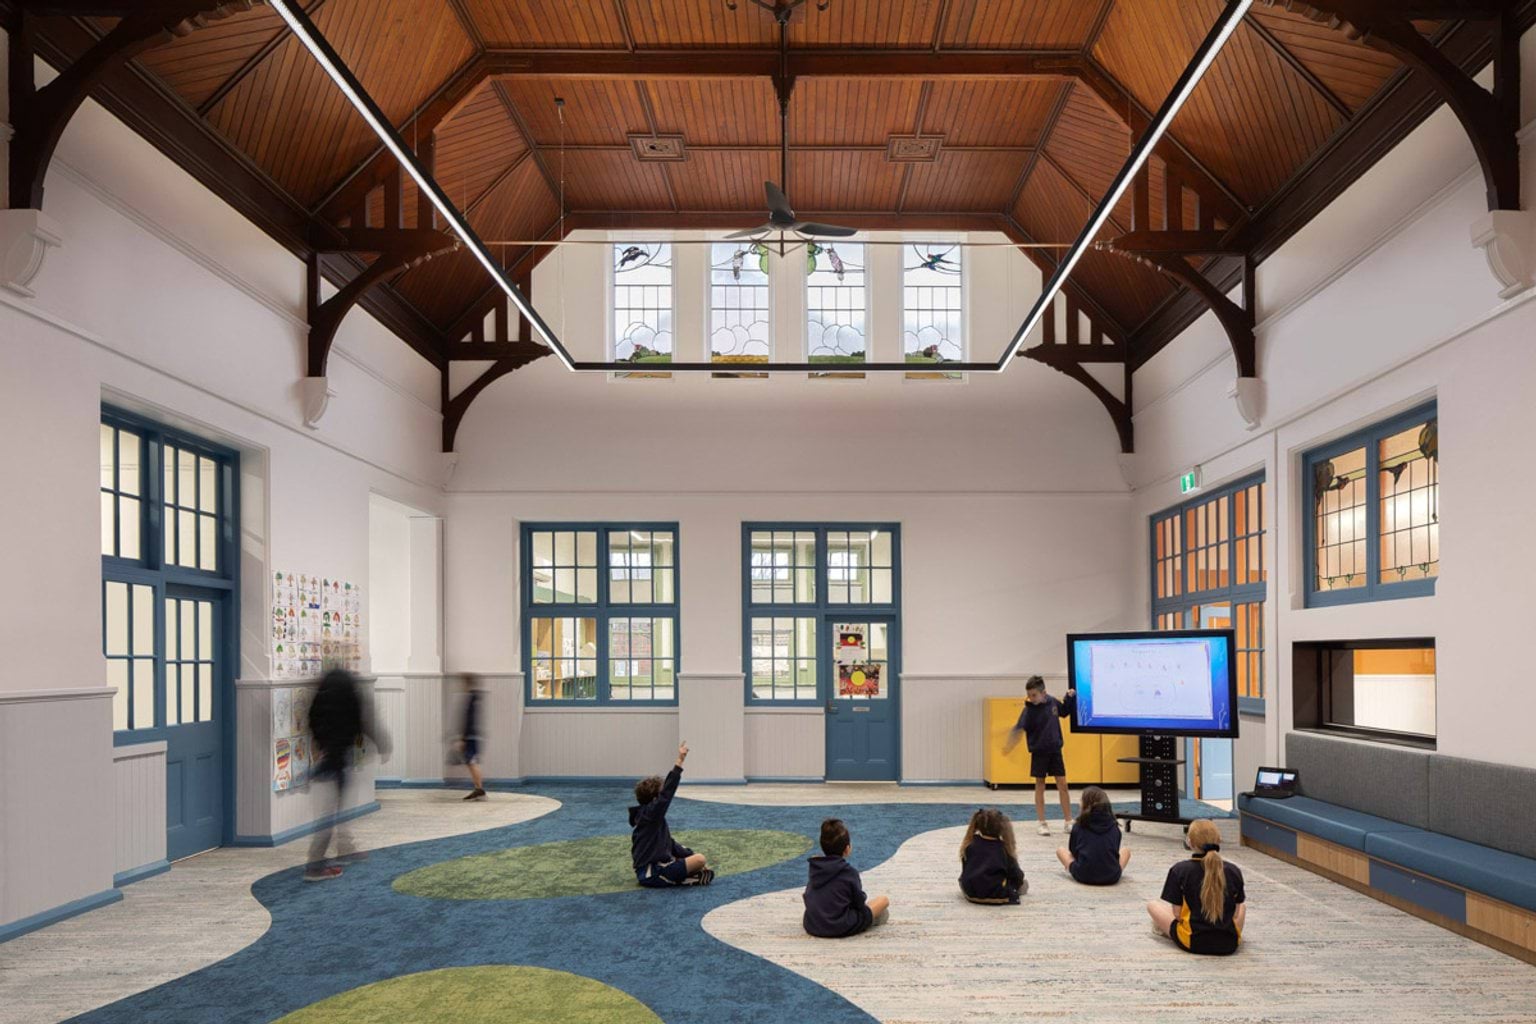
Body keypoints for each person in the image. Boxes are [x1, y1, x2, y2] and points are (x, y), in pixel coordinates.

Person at [305, 668, 389, 882]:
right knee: (330, 814)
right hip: (339, 760)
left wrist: (320, 744)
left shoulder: (321, 698)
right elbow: (365, 723)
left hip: (328, 760)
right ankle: (314, 865)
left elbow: (312, 721)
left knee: (335, 810)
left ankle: (345, 848)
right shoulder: (350, 699)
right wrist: (383, 744)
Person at [1146, 819, 1247, 955]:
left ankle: (1167, 930)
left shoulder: (1180, 870)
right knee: (1243, 907)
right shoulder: (1233, 870)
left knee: (1152, 905)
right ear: (1219, 841)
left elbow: (1177, 914)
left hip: (1193, 941)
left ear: (1189, 842)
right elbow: (1235, 914)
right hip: (1229, 943)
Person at [629, 742, 713, 888]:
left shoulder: (650, 819)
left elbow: (670, 844)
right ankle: (682, 879)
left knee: (695, 858)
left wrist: (689, 854)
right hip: (652, 874)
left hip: (652, 870)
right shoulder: (650, 815)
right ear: (655, 800)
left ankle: (686, 877)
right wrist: (679, 761)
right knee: (700, 859)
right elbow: (666, 795)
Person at [1001, 675, 1076, 835]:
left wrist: (1069, 698)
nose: (1031, 698)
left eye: (1034, 695)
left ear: (1044, 693)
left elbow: (1064, 712)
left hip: (1055, 750)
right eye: (1029, 695)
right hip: (1039, 752)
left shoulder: (1053, 702)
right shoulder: (1028, 710)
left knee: (1062, 784)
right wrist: (1010, 743)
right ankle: (1042, 822)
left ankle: (1068, 820)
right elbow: (1019, 728)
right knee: (1040, 785)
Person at [803, 818, 890, 937]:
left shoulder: (815, 867)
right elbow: (859, 903)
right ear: (847, 849)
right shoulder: (849, 872)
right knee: (883, 902)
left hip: (813, 923)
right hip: (839, 925)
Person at [1057, 785, 1131, 885]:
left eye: (1081, 800)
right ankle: (1110, 870)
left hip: (1083, 875)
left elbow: (1073, 851)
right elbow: (1115, 852)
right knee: (1126, 851)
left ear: (1086, 805)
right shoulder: (1114, 827)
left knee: (1060, 851)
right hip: (1111, 876)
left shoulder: (1078, 826)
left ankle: (1082, 868)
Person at [958, 808, 1027, 905]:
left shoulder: (970, 844)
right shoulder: (1004, 848)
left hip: (971, 892)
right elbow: (1016, 875)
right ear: (1002, 828)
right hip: (996, 894)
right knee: (1024, 884)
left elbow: (966, 868)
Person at [455, 673, 486, 801]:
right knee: (471, 762)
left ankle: (479, 790)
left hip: (471, 736)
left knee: (472, 762)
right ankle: (478, 788)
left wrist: (463, 738)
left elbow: (468, 720)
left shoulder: (471, 699)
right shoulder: (474, 698)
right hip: (473, 735)